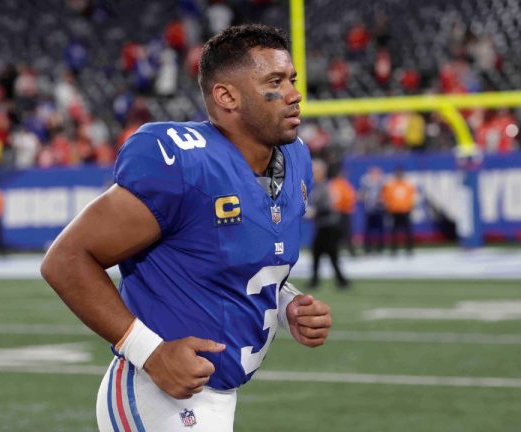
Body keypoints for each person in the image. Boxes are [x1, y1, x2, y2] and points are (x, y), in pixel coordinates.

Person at [40, 25, 332, 432]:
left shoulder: (294, 160)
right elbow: (66, 259)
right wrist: (150, 353)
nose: (294, 93)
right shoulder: (185, 163)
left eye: (293, 80)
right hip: (156, 393)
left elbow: (238, 262)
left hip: (217, 394)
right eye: (275, 82)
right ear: (227, 96)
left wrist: (287, 304)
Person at [307, 159, 350, 289]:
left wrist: (314, 212)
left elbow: (330, 207)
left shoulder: (327, 187)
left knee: (328, 253)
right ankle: (339, 281)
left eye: (315, 171)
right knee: (321, 253)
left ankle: (338, 280)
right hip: (323, 225)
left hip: (329, 225)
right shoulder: (317, 187)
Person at [381, 167, 416, 256]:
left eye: (400, 173)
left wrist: (410, 206)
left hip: (405, 210)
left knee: (407, 231)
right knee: (394, 231)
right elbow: (385, 197)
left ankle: (409, 249)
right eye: (397, 173)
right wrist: (388, 206)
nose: (399, 175)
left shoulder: (407, 185)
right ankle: (394, 249)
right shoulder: (390, 185)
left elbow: (412, 197)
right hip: (394, 211)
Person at [327, 168, 357, 257]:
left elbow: (351, 197)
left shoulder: (340, 184)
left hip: (343, 211)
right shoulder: (337, 184)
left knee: (345, 233)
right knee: (340, 233)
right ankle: (337, 251)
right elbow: (342, 198)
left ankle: (348, 250)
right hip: (340, 212)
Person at [358, 166, 386, 254]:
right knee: (368, 230)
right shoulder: (366, 183)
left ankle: (380, 247)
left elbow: (386, 195)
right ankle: (368, 247)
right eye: (373, 174)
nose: (375, 176)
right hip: (369, 209)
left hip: (379, 209)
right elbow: (361, 195)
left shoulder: (382, 184)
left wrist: (382, 200)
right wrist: (363, 197)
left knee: (380, 230)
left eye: (376, 174)